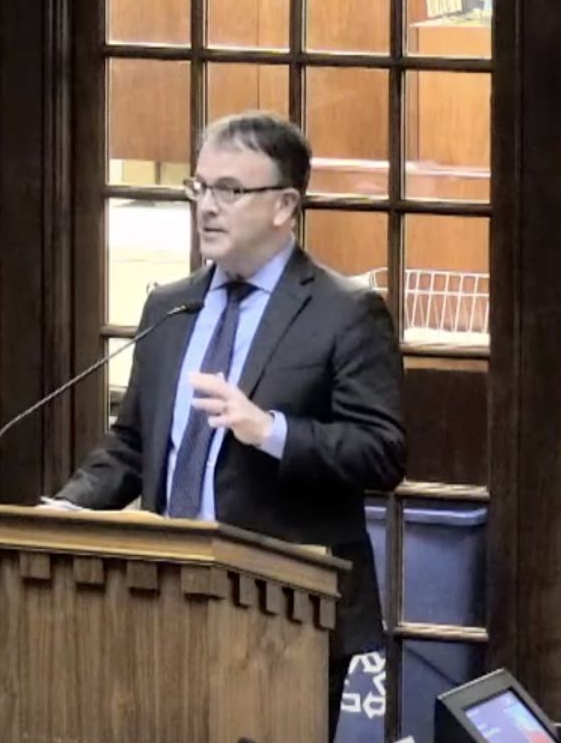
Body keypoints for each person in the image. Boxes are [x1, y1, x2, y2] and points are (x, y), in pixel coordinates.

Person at [52, 110, 406, 741]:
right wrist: (71, 510)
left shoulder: (346, 312)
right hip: (163, 602)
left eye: (229, 191)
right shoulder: (171, 306)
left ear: (284, 205)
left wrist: (269, 429)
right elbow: (132, 442)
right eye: (199, 187)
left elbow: (380, 452)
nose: (207, 208)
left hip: (286, 618)